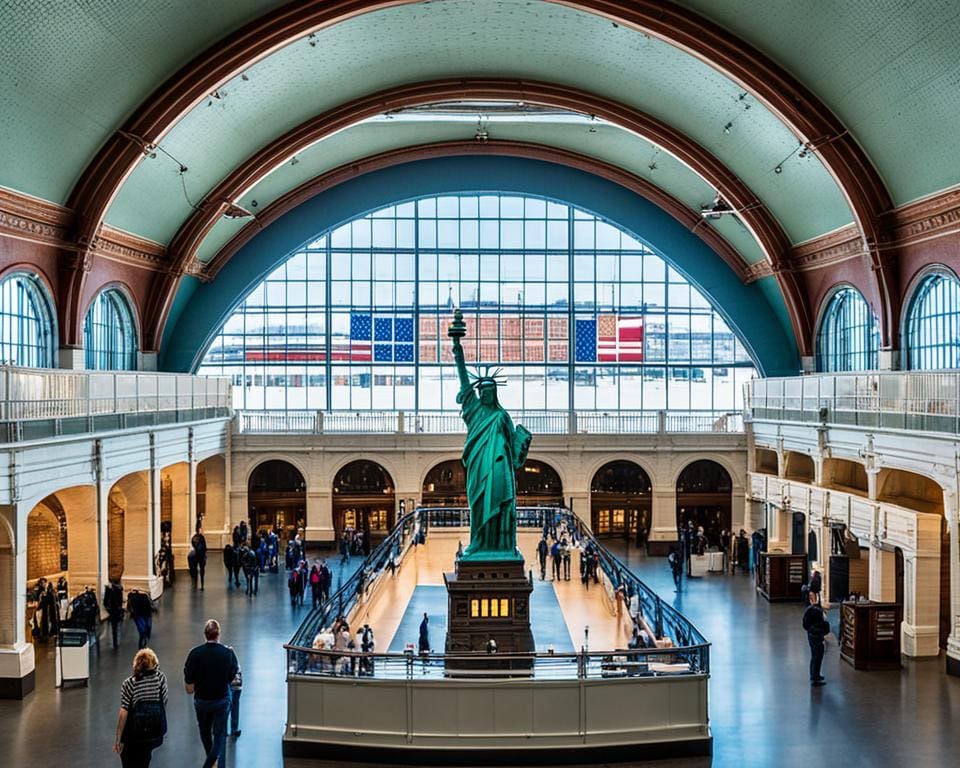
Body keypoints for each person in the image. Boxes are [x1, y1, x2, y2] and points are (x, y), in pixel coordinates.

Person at [449, 308, 532, 558]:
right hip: (477, 465)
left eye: (489, 390)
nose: (484, 393)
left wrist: (522, 443)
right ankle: (478, 543)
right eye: (482, 389)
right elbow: (464, 379)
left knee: (502, 504)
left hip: (499, 467)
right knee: (478, 505)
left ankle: (501, 545)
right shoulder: (473, 411)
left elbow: (515, 455)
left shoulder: (502, 416)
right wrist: (456, 346)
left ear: (494, 393)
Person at [183, 619, 238, 768]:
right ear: (218, 634)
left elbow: (189, 687)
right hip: (221, 700)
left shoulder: (194, 654)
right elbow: (231, 677)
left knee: (205, 732)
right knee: (220, 735)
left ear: (205, 635)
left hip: (202, 701)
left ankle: (211, 762)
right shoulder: (227, 654)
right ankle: (209, 764)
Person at [114, 648, 168, 767]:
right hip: (154, 734)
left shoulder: (129, 683)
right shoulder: (160, 679)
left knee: (128, 760)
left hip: (134, 736)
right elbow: (164, 702)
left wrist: (118, 738)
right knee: (144, 759)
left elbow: (124, 713)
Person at [802, 589, 831, 686]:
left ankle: (815, 674)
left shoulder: (809, 611)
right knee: (817, 656)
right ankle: (815, 677)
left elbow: (805, 625)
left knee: (814, 656)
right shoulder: (817, 612)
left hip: (811, 636)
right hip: (817, 637)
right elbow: (825, 627)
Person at [104, 578, 125, 649]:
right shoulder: (119, 589)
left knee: (113, 627)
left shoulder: (108, 589)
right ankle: (116, 642)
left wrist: (107, 608)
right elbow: (121, 600)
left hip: (112, 610)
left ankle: (114, 641)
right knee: (116, 626)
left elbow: (105, 601)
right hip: (117, 610)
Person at [228, 647, 243, 738]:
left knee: (225, 708)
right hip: (236, 685)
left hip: (227, 685)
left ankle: (223, 729)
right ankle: (234, 729)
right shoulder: (231, 653)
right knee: (235, 705)